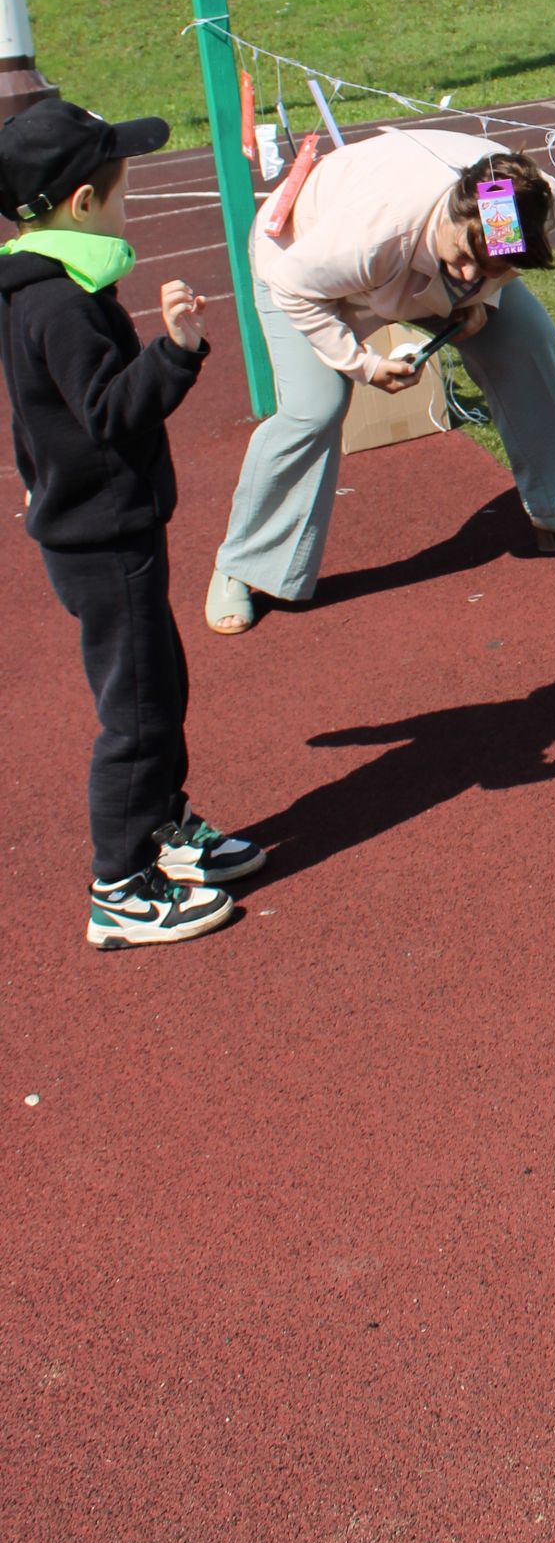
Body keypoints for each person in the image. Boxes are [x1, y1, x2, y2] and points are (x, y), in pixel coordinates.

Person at [0, 97, 261, 949]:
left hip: (97, 528)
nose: (127, 205)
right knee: (139, 710)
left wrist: (39, 480)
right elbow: (113, 413)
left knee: (161, 685)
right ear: (83, 204)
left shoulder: (41, 286)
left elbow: (38, 412)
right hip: (104, 540)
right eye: (120, 191)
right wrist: (176, 351)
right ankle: (118, 883)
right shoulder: (62, 307)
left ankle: (165, 825)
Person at [205, 129, 555, 636]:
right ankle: (242, 564)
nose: (469, 272)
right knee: (316, 408)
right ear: (454, 213)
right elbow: (295, 286)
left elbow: (492, 266)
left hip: (409, 259)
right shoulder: (374, 233)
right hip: (303, 261)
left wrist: (478, 299)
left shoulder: (525, 203)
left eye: (486, 265)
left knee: (523, 339)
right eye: (466, 257)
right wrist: (361, 365)